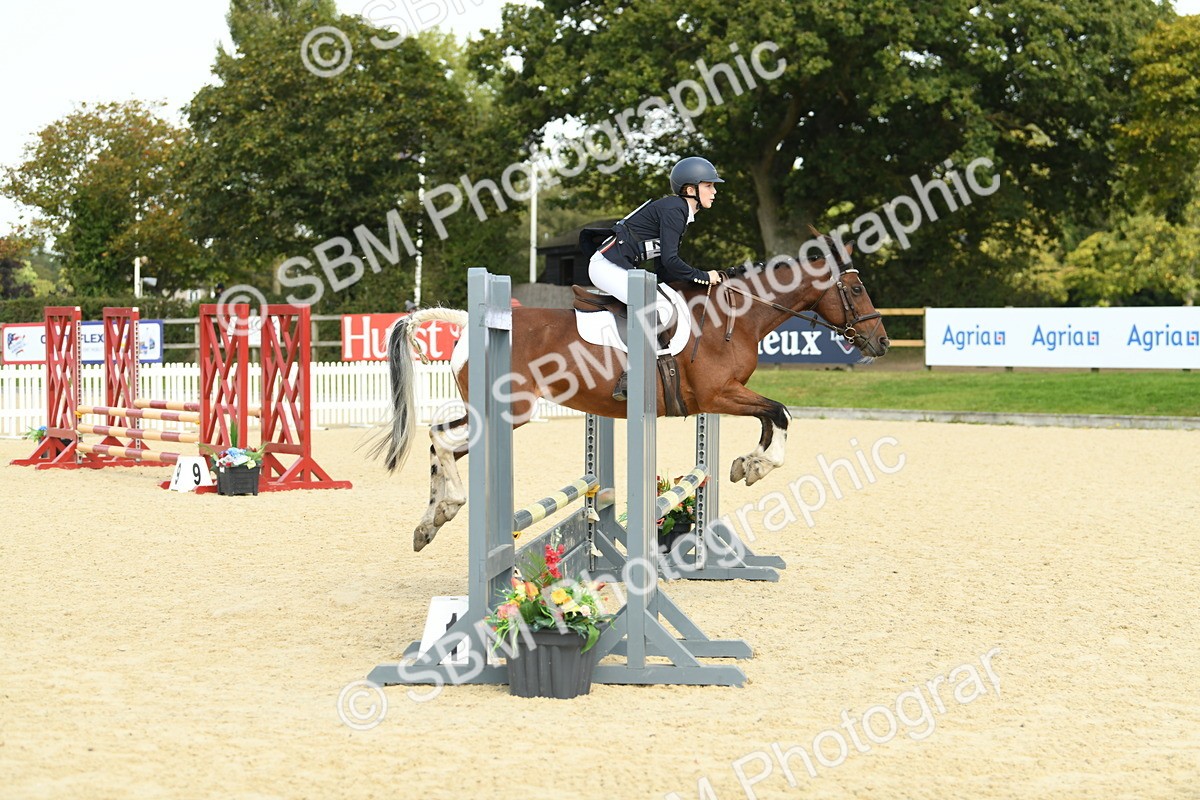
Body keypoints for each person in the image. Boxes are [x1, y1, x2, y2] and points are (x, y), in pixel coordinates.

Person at [584, 156, 726, 400]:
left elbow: (664, 269)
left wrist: (692, 284)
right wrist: (703, 276)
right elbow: (671, 261)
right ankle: (632, 374)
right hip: (605, 266)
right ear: (690, 190)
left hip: (616, 265)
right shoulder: (676, 210)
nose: (714, 191)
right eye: (709, 185)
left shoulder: (679, 211)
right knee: (656, 305)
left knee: (664, 298)